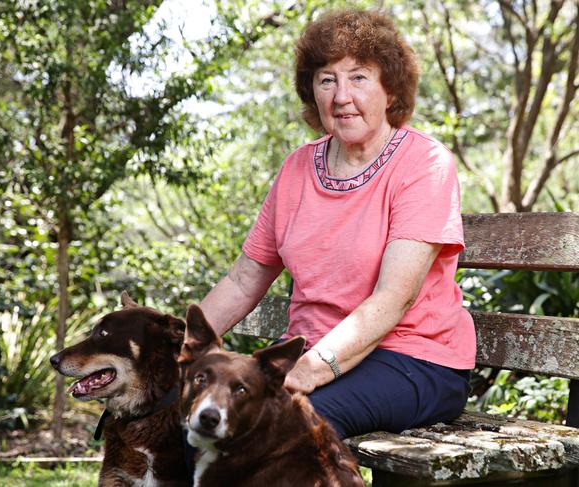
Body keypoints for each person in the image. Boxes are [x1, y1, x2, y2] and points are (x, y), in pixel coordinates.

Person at [199, 8, 475, 439]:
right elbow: (244, 278)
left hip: (413, 360)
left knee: (281, 430)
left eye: (359, 77)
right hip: (310, 356)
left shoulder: (423, 163)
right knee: (193, 422)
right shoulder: (297, 169)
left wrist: (310, 369)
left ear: (390, 89)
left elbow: (393, 299)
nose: (341, 95)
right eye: (327, 79)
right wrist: (176, 348)